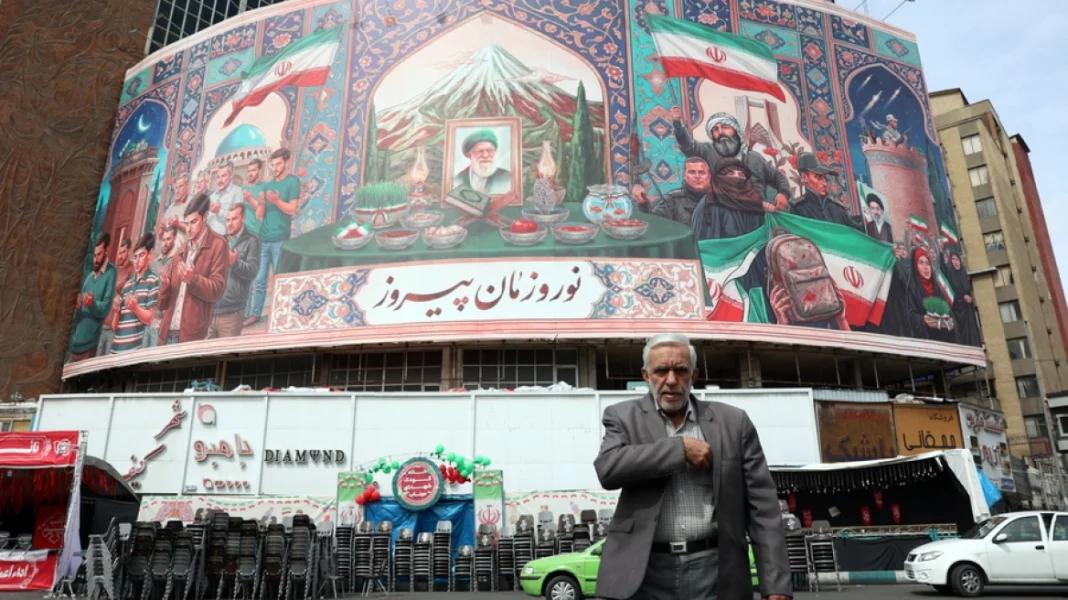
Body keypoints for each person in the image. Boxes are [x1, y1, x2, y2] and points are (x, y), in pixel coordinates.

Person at [594, 333, 791, 600]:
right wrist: (678, 449)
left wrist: (776, 584)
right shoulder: (622, 416)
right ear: (646, 375)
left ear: (694, 375)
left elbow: (763, 508)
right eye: (661, 371)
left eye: (681, 370)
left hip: (716, 572)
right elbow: (608, 468)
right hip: (644, 573)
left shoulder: (733, 422)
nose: (671, 380)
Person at [671, 107, 790, 209]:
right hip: (723, 216)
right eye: (715, 129)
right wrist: (678, 125)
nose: (720, 132)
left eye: (725, 127)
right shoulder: (708, 152)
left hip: (757, 215)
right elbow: (688, 146)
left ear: (735, 130)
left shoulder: (755, 159)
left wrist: (783, 193)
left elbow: (778, 176)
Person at [158, 193, 229, 344]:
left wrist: (193, 279)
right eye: (186, 223)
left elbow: (217, 290)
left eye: (194, 222)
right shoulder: (180, 252)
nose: (189, 229)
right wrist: (165, 287)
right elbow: (162, 305)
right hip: (167, 333)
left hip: (192, 336)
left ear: (205, 217)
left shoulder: (218, 245)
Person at [248, 148, 301, 327]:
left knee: (280, 278)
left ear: (285, 163)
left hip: (280, 239)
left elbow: (292, 209)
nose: (275, 168)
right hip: (264, 239)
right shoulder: (267, 185)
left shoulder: (293, 182)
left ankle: (281, 314)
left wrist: (276, 201)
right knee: (260, 280)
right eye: (273, 165)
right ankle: (256, 314)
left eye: (278, 164)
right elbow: (259, 215)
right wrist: (262, 203)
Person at [208, 204, 260, 338]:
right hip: (210, 312)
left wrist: (235, 263)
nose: (230, 224)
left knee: (226, 351)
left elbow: (252, 272)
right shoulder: (219, 241)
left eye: (234, 219)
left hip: (232, 314)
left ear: (243, 218)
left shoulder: (252, 241)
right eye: (227, 220)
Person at [692, 157, 775, 241]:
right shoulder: (709, 205)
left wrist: (767, 210)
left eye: (741, 175)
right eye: (730, 174)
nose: (736, 178)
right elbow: (704, 244)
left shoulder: (754, 205)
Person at [69, 234, 118, 362]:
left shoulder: (111, 272)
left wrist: (91, 304)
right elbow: (77, 317)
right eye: (94, 255)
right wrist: (77, 308)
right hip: (75, 345)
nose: (96, 259)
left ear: (107, 251)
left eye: (99, 254)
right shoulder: (89, 279)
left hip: (90, 346)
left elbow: (105, 308)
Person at [112, 233, 160, 353]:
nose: (137, 261)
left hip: (132, 351)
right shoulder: (127, 285)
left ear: (149, 255)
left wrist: (135, 308)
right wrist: (116, 311)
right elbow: (114, 326)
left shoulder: (153, 280)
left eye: (141, 255)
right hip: (115, 350)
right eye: (135, 257)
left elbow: (150, 318)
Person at [789, 153, 863, 231]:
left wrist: (868, 220)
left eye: (824, 178)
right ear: (804, 177)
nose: (824, 183)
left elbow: (857, 232)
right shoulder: (797, 208)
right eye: (818, 177)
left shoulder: (837, 209)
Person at [632, 157, 711, 226]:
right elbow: (652, 222)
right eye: (692, 172)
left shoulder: (717, 199)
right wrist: (642, 203)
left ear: (709, 176)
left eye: (702, 172)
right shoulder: (672, 200)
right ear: (684, 175)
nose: (697, 176)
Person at [906, 247, 955, 343]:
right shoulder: (912, 287)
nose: (926, 267)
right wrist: (923, 320)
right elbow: (910, 316)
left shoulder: (937, 286)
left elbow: (948, 312)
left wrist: (949, 321)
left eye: (927, 263)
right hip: (926, 342)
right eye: (921, 263)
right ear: (915, 266)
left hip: (945, 340)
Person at [99, 238, 135, 356]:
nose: (120, 256)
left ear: (128, 251)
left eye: (123, 252)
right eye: (119, 253)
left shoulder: (132, 269)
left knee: (109, 357)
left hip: (118, 321)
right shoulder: (115, 268)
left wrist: (117, 292)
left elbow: (130, 295)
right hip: (105, 319)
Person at [454, 129, 512, 195]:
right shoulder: (458, 179)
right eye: (480, 151)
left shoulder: (507, 177)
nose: (485, 155)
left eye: (490, 150)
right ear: (469, 154)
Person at [207, 161, 242, 236]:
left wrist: (219, 211)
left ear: (231, 176)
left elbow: (236, 219)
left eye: (223, 176)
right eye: (218, 177)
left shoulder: (237, 192)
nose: (220, 180)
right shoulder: (212, 196)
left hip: (226, 238)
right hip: (209, 235)